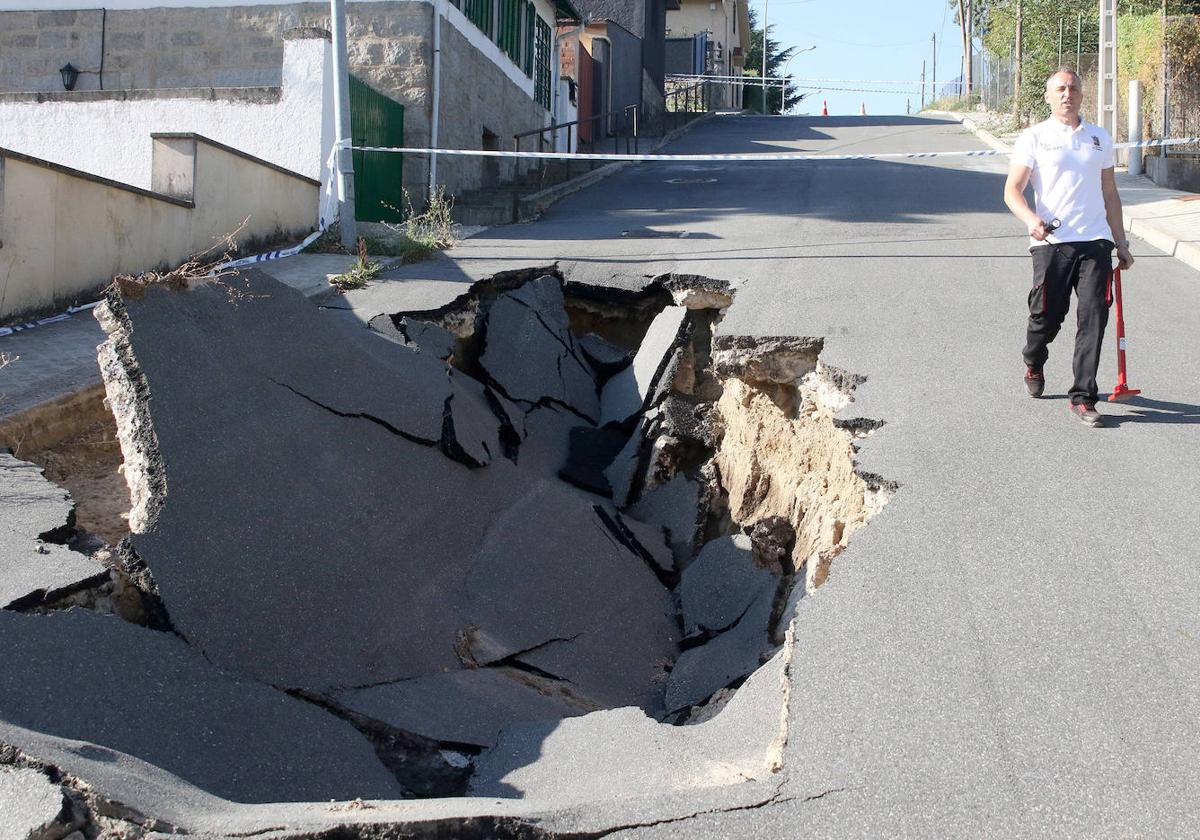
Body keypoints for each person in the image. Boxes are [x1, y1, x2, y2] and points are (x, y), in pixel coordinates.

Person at [1003, 67, 1134, 427]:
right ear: (1048, 96)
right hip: (1052, 242)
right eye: (1060, 89)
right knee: (1047, 316)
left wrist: (1120, 242)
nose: (1067, 94)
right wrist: (1031, 220)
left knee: (1093, 317)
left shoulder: (1099, 138)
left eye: (1073, 88)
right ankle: (1034, 359)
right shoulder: (1034, 137)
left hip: (1095, 241)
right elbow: (1012, 190)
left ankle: (1083, 396)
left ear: (1081, 95)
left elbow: (1110, 193)